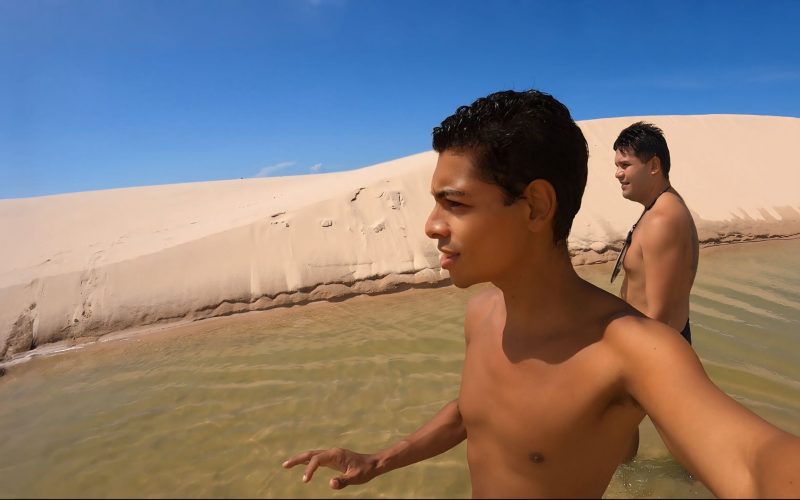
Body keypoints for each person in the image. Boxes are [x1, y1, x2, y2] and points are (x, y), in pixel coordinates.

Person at [282, 89, 800, 498]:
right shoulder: (482, 313)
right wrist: (381, 460)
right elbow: (474, 410)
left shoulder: (634, 353)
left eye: (454, 203)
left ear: (534, 206)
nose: (431, 225)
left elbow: (757, 467)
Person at [611, 121, 700, 462]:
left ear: (653, 165)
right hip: (655, 345)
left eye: (624, 165)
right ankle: (628, 478)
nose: (618, 174)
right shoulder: (657, 211)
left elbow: (659, 311)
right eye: (616, 166)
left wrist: (628, 363)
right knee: (680, 440)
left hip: (656, 348)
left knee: (614, 425)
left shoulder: (663, 218)